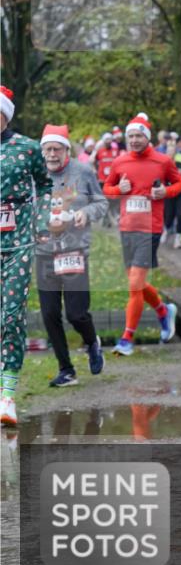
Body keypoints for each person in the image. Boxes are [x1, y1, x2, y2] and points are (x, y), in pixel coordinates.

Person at [103, 112, 181, 356]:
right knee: (135, 282)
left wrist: (165, 193)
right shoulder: (120, 162)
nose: (134, 140)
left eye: (139, 135)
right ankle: (163, 310)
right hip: (127, 227)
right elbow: (106, 188)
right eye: (131, 136)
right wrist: (119, 189)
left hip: (151, 228)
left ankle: (127, 338)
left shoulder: (162, 161)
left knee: (135, 284)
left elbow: (180, 184)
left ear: (147, 137)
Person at [35, 124, 108, 387]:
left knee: (76, 314)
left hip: (74, 252)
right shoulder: (35, 173)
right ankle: (66, 369)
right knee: (49, 315)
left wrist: (84, 213)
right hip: (44, 254)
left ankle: (92, 343)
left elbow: (101, 203)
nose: (52, 154)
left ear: (66, 150)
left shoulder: (83, 172)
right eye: (47, 150)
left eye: (56, 149)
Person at [0, 86, 53, 426]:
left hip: (18, 239)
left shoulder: (27, 148)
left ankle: (7, 396)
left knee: (10, 314)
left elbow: (46, 185)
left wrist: (42, 220)